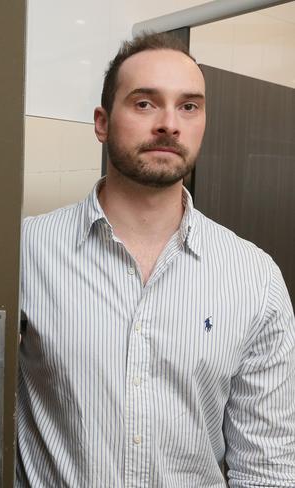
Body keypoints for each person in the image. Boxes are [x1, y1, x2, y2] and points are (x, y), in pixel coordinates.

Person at [17, 32, 295, 487]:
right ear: (102, 123)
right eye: (145, 103)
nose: (169, 123)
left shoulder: (254, 278)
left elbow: (268, 467)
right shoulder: (27, 252)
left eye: (189, 106)